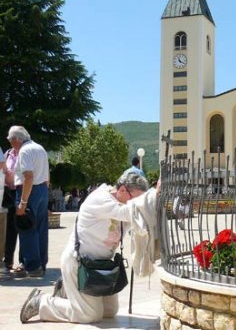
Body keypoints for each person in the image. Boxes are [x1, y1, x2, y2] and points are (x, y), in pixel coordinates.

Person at [19, 172, 154, 324]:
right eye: (135, 199)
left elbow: (140, 218)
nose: (136, 204)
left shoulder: (123, 204)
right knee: (89, 315)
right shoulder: (101, 199)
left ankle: (67, 292)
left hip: (102, 266)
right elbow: (130, 212)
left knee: (109, 311)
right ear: (122, 189)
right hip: (80, 263)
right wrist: (155, 196)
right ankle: (42, 302)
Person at [8, 126, 49, 278]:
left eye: (11, 141)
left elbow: (28, 177)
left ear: (16, 140)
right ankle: (40, 264)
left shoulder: (24, 151)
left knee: (27, 227)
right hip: (42, 189)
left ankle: (32, 266)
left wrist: (23, 202)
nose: (11, 145)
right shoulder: (40, 148)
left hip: (29, 190)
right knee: (40, 228)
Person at [2, 146, 20, 274]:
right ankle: (6, 261)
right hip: (7, 193)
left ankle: (11, 260)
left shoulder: (25, 153)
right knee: (7, 229)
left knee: (15, 228)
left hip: (19, 192)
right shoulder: (8, 153)